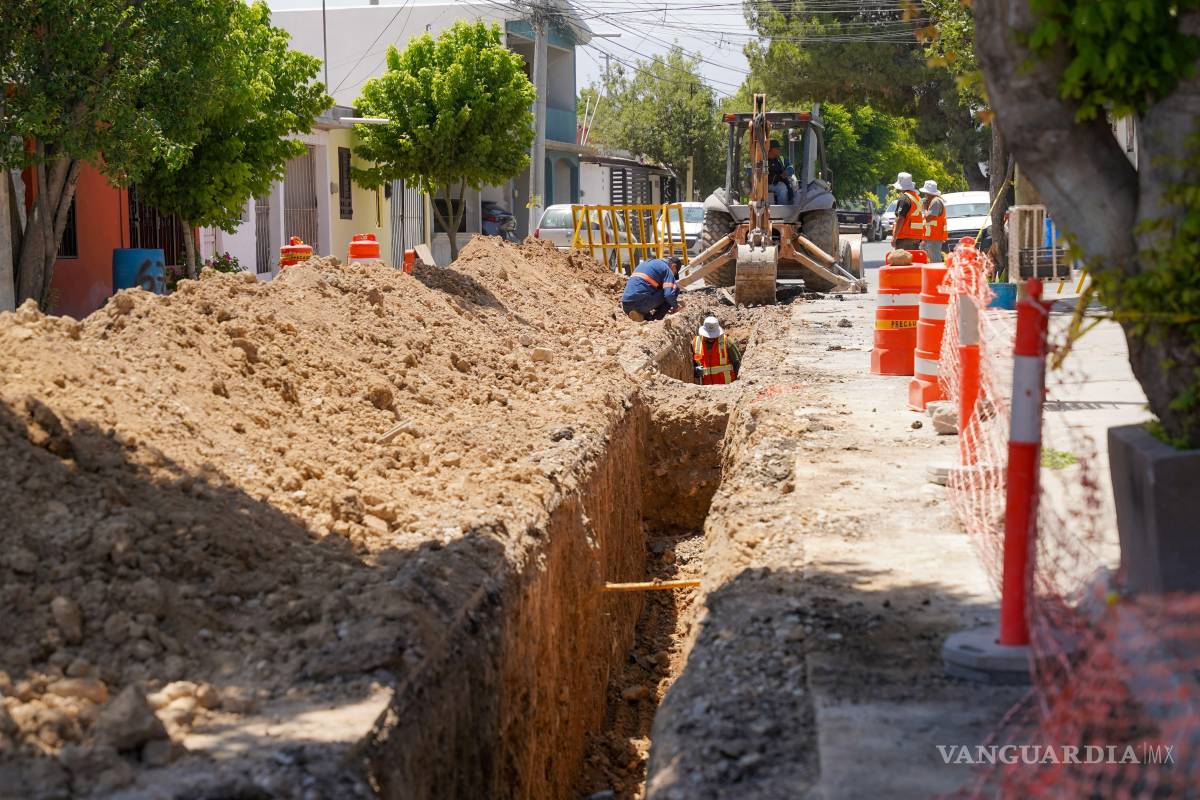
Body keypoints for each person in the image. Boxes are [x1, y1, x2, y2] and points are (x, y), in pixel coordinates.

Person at [621, 255, 684, 321]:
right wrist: (675, 307)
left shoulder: (647, 263)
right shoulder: (667, 269)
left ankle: (642, 316)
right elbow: (669, 294)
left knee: (656, 290)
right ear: (673, 266)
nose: (673, 276)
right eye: (675, 273)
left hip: (626, 305)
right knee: (675, 289)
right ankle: (655, 320)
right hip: (640, 304)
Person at [692, 316, 741, 385]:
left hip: (727, 388)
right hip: (706, 390)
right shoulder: (696, 342)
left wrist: (738, 383)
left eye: (713, 336)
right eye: (708, 336)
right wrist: (695, 369)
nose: (711, 338)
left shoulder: (727, 342)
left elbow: (737, 363)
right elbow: (692, 363)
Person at [890, 172, 926, 250]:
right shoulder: (917, 198)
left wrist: (894, 237)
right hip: (916, 237)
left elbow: (900, 219)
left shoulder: (904, 199)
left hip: (905, 238)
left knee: (903, 261)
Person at [919, 179, 947, 263]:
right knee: (930, 260)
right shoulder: (933, 201)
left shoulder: (936, 202)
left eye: (926, 193)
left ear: (929, 193)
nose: (925, 195)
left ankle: (937, 276)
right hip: (931, 237)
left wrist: (924, 208)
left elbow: (928, 218)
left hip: (934, 237)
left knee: (935, 261)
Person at [767, 140, 791, 204]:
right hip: (762, 185)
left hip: (776, 184)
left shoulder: (781, 159)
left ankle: (782, 207)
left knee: (782, 187)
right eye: (777, 148)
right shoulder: (761, 158)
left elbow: (790, 167)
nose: (779, 150)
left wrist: (787, 172)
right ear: (770, 149)